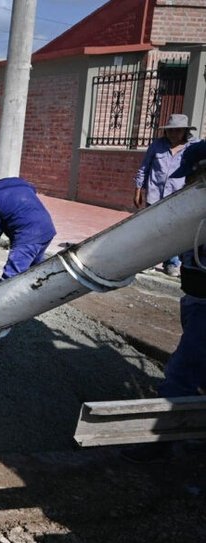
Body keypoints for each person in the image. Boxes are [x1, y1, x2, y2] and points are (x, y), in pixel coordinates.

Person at [122, 141, 206, 463]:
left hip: (204, 307)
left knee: (182, 372)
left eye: (193, 176)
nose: (186, 184)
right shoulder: (195, 210)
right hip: (195, 300)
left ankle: (156, 441)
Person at [133, 113, 199, 277]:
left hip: (179, 197)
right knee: (152, 230)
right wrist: (138, 189)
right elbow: (144, 167)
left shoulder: (194, 146)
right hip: (154, 196)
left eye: (178, 130)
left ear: (185, 131)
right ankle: (147, 261)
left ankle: (171, 262)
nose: (173, 133)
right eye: (170, 130)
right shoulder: (157, 145)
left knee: (174, 232)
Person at [0, 169, 56, 279]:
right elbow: (32, 189)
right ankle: (42, 290)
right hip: (47, 229)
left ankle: (4, 296)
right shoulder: (17, 181)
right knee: (35, 269)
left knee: (11, 276)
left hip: (28, 237)